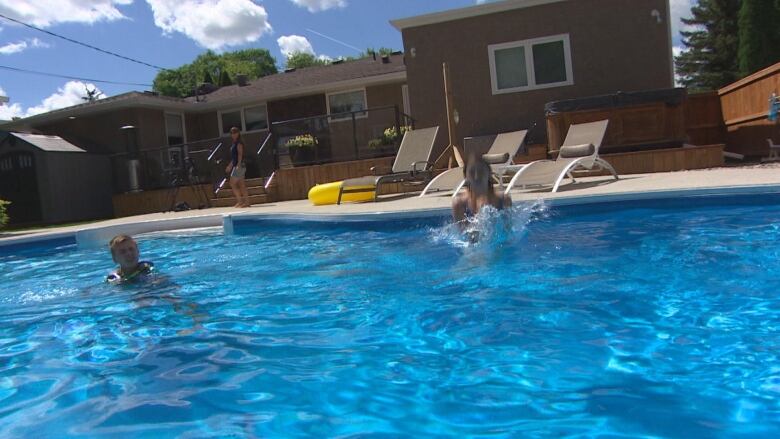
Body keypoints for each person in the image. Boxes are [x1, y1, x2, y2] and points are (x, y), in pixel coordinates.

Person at [452, 155, 512, 225]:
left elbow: (508, 230)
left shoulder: (504, 200)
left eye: (481, 171)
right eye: (472, 172)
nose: (477, 176)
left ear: (489, 174)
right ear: (466, 177)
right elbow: (462, 234)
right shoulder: (460, 204)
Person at [226, 126, 251, 208]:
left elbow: (240, 154)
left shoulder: (239, 143)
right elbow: (234, 157)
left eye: (235, 132)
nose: (233, 134)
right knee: (241, 184)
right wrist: (230, 166)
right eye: (232, 133)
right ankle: (246, 202)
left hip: (240, 165)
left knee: (232, 183)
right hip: (237, 165)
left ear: (238, 133)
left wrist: (238, 165)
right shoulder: (234, 143)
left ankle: (241, 201)